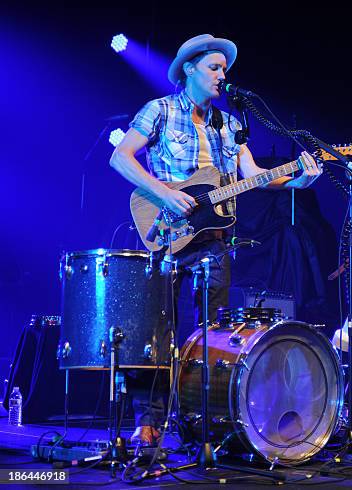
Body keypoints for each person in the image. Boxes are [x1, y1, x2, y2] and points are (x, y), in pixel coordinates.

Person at [109, 34, 322, 444]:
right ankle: (148, 422)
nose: (222, 75)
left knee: (212, 335)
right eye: (213, 67)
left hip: (213, 240)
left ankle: (201, 420)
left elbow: (257, 175)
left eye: (225, 69)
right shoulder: (161, 110)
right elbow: (120, 157)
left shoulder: (231, 125)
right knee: (158, 329)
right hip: (166, 230)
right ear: (189, 68)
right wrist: (164, 193)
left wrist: (299, 176)